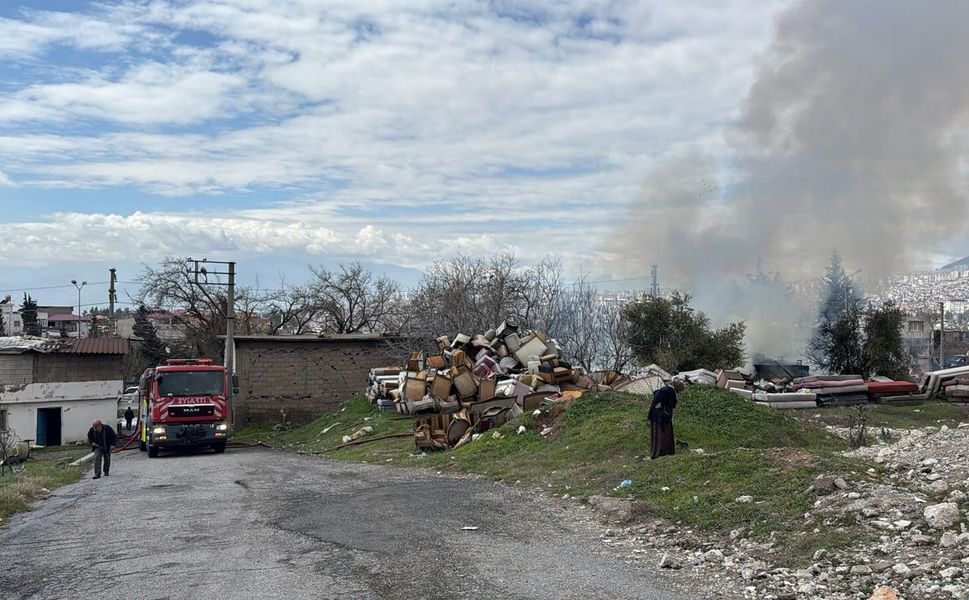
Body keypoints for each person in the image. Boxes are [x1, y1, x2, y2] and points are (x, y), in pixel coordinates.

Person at [648, 380, 684, 459]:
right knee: (664, 434)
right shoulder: (669, 391)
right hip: (662, 417)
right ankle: (663, 452)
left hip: (655, 414)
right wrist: (666, 413)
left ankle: (655, 452)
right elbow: (671, 404)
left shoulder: (664, 389)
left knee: (656, 434)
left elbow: (656, 397)